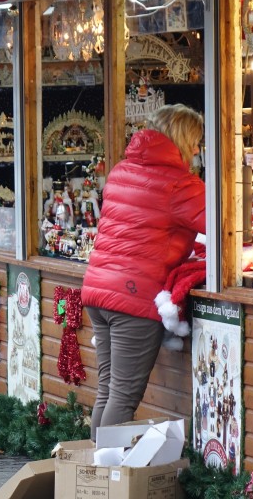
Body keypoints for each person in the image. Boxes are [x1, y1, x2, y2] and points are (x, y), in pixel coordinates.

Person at [81, 103, 205, 440]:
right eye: (195, 142)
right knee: (122, 396)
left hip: (98, 289)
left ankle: (92, 479)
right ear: (181, 139)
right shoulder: (180, 183)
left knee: (107, 390)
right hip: (132, 299)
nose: (197, 150)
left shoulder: (121, 169)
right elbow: (227, 224)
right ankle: (108, 483)